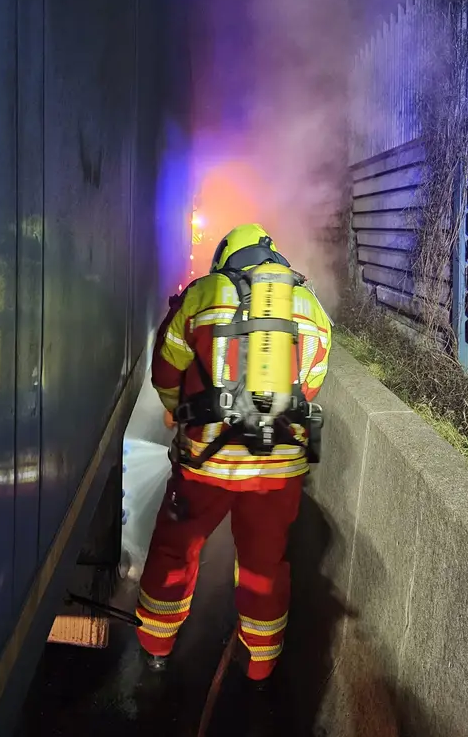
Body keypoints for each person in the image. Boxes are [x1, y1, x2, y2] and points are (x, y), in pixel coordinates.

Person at [135, 223, 333, 682]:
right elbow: (312, 382)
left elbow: (165, 371)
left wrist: (177, 411)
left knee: (175, 548)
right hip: (278, 469)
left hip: (206, 463)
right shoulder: (310, 305)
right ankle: (260, 666)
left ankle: (155, 647)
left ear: (226, 256)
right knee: (265, 564)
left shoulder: (204, 293)